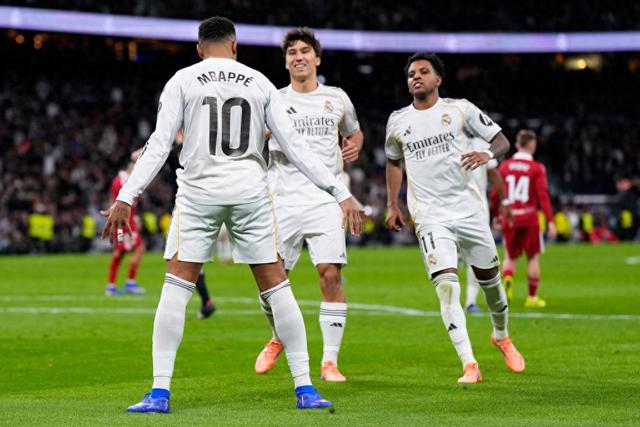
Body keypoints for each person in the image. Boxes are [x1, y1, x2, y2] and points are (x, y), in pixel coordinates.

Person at [100, 16, 362, 413]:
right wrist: (341, 192)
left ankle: (159, 392)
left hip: (199, 194)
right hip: (250, 193)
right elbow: (297, 147)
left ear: (199, 49)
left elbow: (159, 144)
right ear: (235, 46)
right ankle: (306, 388)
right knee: (277, 286)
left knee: (176, 286)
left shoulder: (183, 80)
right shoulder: (260, 82)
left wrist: (127, 196)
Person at [385, 52, 525, 384]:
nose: (415, 77)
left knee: (491, 282)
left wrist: (486, 154)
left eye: (423, 72)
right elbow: (393, 161)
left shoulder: (461, 110)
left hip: (469, 211)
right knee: (447, 286)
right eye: (411, 74)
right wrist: (393, 204)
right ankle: (469, 363)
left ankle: (501, 335)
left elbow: (502, 140)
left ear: (438, 79)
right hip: (430, 216)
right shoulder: (398, 121)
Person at [254, 27, 364, 382]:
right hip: (282, 199)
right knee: (272, 282)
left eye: (305, 51)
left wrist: (356, 144)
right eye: (292, 52)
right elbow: (253, 142)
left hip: (326, 198)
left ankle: (329, 362)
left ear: (317, 58)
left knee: (330, 273)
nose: (298, 57)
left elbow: (354, 131)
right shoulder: (272, 100)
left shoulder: (337, 98)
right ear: (285, 62)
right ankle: (278, 336)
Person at [499, 130, 556, 308]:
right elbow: (542, 196)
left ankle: (508, 280)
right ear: (532, 145)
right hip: (530, 217)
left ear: (517, 145)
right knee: (532, 258)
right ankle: (532, 298)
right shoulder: (537, 168)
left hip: (510, 217)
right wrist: (550, 221)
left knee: (510, 257)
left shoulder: (505, 166)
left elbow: (496, 193)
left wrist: (497, 215)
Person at [464, 138, 513, 313]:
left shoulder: (480, 142)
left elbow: (494, 173)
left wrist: (505, 202)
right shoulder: (446, 139)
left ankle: (469, 301)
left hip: (476, 207)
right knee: (459, 255)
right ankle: (455, 302)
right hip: (456, 208)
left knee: (476, 255)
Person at [105, 150, 146, 296]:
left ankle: (112, 285)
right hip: (123, 223)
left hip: (126, 222)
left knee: (121, 252)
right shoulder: (122, 182)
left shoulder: (124, 181)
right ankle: (128, 283)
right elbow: (119, 203)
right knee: (135, 248)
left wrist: (135, 218)